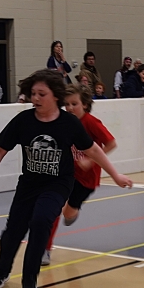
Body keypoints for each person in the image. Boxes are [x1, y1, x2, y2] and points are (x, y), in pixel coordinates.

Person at [0, 70, 133, 288]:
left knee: (41, 221)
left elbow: (93, 150)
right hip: (29, 183)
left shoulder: (69, 123)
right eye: (33, 94)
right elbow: (0, 149)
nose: (36, 98)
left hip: (58, 184)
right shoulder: (23, 120)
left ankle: (30, 279)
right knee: (13, 231)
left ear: (55, 96)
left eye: (42, 94)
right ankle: (2, 272)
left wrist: (115, 175)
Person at [43, 84, 118, 265]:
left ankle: (72, 212)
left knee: (68, 213)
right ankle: (44, 249)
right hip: (66, 174)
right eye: (66, 104)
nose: (69, 108)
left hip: (86, 178)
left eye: (74, 104)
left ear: (84, 104)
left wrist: (90, 160)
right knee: (53, 210)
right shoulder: (63, 122)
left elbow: (111, 143)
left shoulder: (91, 123)